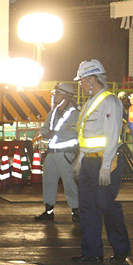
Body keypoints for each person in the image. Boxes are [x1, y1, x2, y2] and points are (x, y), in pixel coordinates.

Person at [71, 59, 130, 263]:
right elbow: (84, 136)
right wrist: (80, 160)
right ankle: (91, 252)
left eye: (82, 81)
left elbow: (112, 135)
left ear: (92, 78)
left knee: (106, 204)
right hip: (89, 161)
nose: (81, 85)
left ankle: (121, 249)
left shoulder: (110, 102)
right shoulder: (89, 104)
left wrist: (106, 166)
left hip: (106, 161)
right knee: (87, 206)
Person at [35, 82, 80, 222]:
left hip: (66, 154)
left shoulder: (75, 113)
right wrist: (45, 133)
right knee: (48, 181)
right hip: (52, 153)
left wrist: (53, 133)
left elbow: (73, 133)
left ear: (65, 96)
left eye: (57, 94)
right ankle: (48, 212)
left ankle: (76, 212)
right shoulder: (53, 112)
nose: (54, 96)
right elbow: (45, 128)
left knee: (69, 182)